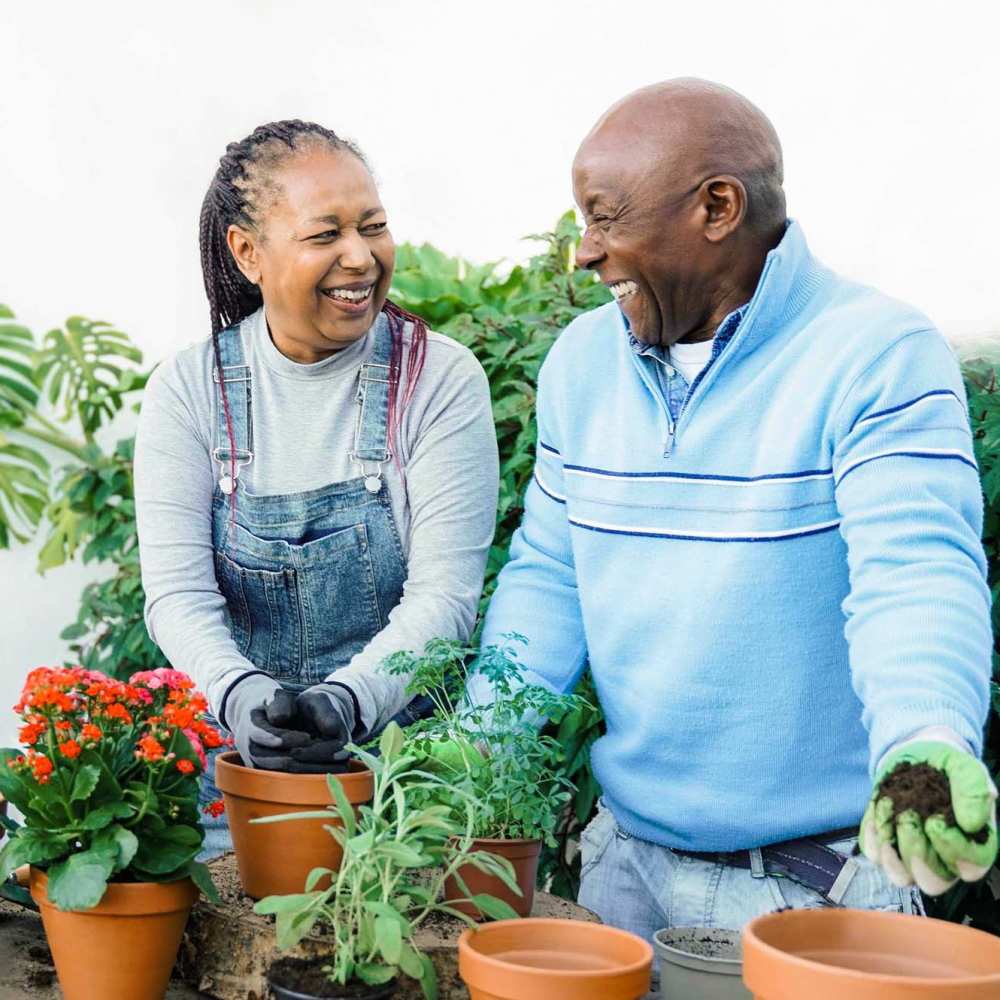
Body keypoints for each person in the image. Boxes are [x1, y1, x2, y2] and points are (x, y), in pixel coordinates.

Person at [471, 79, 997, 941]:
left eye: (605, 218)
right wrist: (481, 742)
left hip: (816, 892)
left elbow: (916, 574)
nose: (586, 252)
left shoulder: (875, 355)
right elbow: (552, 575)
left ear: (718, 206)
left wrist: (924, 741)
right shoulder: (581, 364)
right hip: (624, 870)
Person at [134, 120, 498, 853]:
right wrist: (240, 698)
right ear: (247, 253)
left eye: (373, 227)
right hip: (235, 776)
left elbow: (446, 597)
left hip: (399, 779)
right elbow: (176, 596)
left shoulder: (437, 379)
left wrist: (347, 702)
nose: (359, 258)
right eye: (324, 234)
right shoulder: (189, 391)